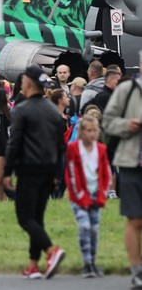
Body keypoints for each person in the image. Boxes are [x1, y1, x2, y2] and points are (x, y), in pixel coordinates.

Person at [3, 65, 66, 280]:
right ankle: (32, 264)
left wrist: (6, 173)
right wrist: (58, 173)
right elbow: (60, 145)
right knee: (37, 218)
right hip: (49, 170)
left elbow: (14, 143)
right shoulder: (53, 110)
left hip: (29, 169)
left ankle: (51, 250)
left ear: (27, 83)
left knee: (24, 218)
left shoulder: (22, 109)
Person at [103, 64, 142, 288]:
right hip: (131, 163)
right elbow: (107, 122)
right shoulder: (126, 91)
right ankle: (136, 271)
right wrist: (127, 124)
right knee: (135, 219)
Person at [64, 115, 110, 278]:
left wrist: (102, 194)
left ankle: (93, 261)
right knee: (84, 226)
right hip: (79, 196)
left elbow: (106, 173)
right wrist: (80, 196)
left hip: (96, 194)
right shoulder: (74, 149)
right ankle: (87, 262)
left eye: (95, 130)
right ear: (81, 131)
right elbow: (71, 173)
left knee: (94, 229)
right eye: (89, 130)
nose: (92, 134)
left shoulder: (101, 149)